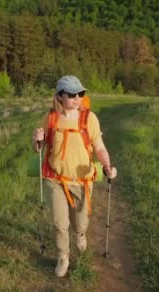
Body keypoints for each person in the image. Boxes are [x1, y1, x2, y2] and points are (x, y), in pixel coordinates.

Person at [31, 75, 117, 277]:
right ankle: (63, 257)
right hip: (55, 178)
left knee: (80, 221)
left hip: (82, 180)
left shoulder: (90, 118)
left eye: (81, 93)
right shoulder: (50, 118)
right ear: (60, 96)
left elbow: (99, 147)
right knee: (60, 223)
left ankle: (80, 234)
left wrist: (106, 165)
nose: (77, 98)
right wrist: (36, 141)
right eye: (72, 94)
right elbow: (39, 149)